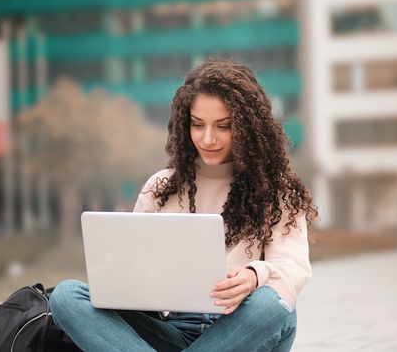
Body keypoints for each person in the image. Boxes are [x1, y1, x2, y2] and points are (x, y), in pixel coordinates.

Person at [50, 59, 318, 351]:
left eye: (224, 126)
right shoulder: (161, 187)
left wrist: (255, 276)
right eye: (197, 125)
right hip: (172, 329)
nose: (208, 138)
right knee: (65, 296)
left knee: (273, 304)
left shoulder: (277, 189)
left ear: (248, 127)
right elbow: (132, 268)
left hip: (244, 326)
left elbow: (292, 269)